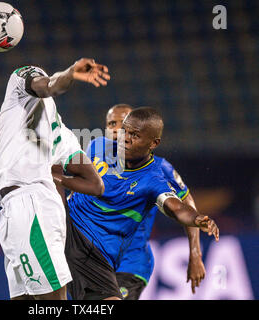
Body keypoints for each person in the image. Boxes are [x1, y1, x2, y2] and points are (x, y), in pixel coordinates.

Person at [0, 58, 110, 300]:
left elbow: (50, 85)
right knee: (25, 298)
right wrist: (60, 179)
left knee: (51, 299)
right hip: (15, 208)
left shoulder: (19, 83)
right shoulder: (64, 135)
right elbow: (96, 185)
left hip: (30, 204)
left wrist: (69, 73)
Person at [65, 107, 219, 300]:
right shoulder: (97, 147)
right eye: (115, 126)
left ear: (152, 142)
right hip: (76, 240)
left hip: (126, 260)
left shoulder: (159, 172)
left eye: (131, 131)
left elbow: (180, 205)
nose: (121, 134)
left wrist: (195, 249)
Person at [105, 104, 205, 299]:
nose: (118, 130)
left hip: (129, 264)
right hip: (92, 261)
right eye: (112, 124)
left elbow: (188, 205)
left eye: (124, 124)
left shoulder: (159, 169)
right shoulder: (95, 159)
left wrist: (195, 254)